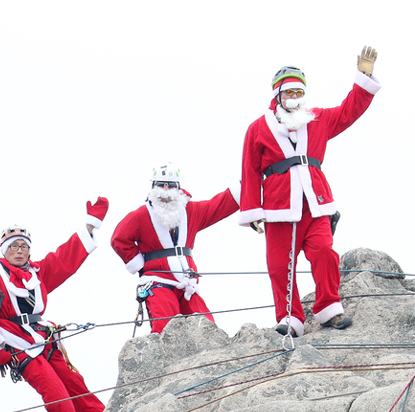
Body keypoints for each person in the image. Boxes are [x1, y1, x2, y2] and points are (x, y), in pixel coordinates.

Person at [239, 48, 381, 337]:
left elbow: (348, 111)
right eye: (289, 93)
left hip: (316, 204)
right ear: (277, 95)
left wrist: (363, 77)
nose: (294, 98)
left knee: (324, 253)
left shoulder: (318, 119)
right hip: (280, 208)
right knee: (280, 267)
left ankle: (330, 309)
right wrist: (252, 211)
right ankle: (290, 318)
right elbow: (250, 171)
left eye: (298, 93)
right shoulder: (257, 128)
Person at [0, 201, 109, 412]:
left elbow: (64, 259)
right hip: (19, 347)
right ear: (4, 250)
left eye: (24, 246)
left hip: (45, 339)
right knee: (57, 397)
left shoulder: (37, 275)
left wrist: (89, 226)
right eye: (13, 246)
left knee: (76, 386)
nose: (20, 250)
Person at [111, 163, 239, 332]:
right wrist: (140, 264)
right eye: (161, 185)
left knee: (206, 326)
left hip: (187, 282)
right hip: (158, 280)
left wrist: (246, 185)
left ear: (178, 187)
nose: (165, 189)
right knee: (165, 327)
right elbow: (119, 238)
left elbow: (218, 205)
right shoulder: (140, 215)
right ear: (153, 187)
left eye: (170, 185)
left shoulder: (191, 211)